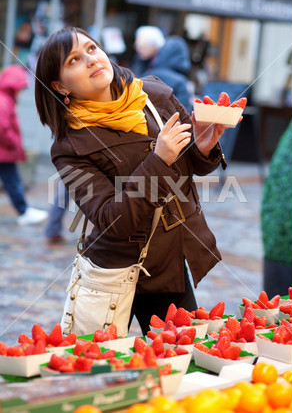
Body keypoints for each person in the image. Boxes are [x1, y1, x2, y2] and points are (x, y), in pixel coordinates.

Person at [35, 26, 228, 336]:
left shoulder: (155, 95)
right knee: (99, 368)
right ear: (60, 86)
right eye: (73, 60)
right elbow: (112, 220)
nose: (90, 60)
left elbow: (190, 166)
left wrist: (203, 145)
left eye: (92, 49)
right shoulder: (68, 147)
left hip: (168, 264)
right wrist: (158, 159)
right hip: (113, 270)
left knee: (182, 363)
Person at [0, 64, 48, 226]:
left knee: (12, 180)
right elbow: (2, 128)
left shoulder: (5, 99)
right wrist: (14, 143)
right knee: (13, 181)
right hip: (4, 151)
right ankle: (23, 211)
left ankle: (24, 211)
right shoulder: (4, 100)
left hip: (4, 151)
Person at [132, 26, 192, 112]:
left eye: (142, 46)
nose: (138, 50)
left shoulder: (159, 72)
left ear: (155, 46)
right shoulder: (143, 63)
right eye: (136, 46)